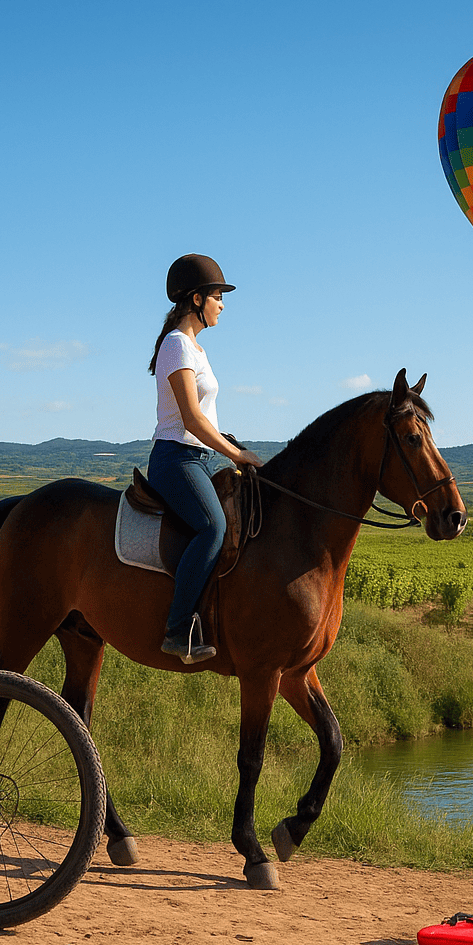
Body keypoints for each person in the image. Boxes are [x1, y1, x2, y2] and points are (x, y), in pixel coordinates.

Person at [148, 254, 262, 664]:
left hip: (199, 459)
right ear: (196, 299)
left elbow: (205, 418)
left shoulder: (196, 348)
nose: (222, 304)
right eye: (217, 296)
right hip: (175, 458)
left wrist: (228, 449)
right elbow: (192, 419)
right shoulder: (176, 345)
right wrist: (237, 454)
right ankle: (178, 629)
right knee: (212, 528)